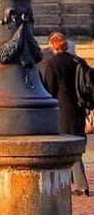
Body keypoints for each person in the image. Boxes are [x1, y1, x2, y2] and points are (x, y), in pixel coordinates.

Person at [38, 31, 91, 196]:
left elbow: (48, 89)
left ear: (52, 47)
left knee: (66, 148)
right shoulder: (78, 61)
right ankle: (76, 182)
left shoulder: (52, 64)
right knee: (75, 145)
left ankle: (79, 184)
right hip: (78, 109)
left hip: (61, 110)